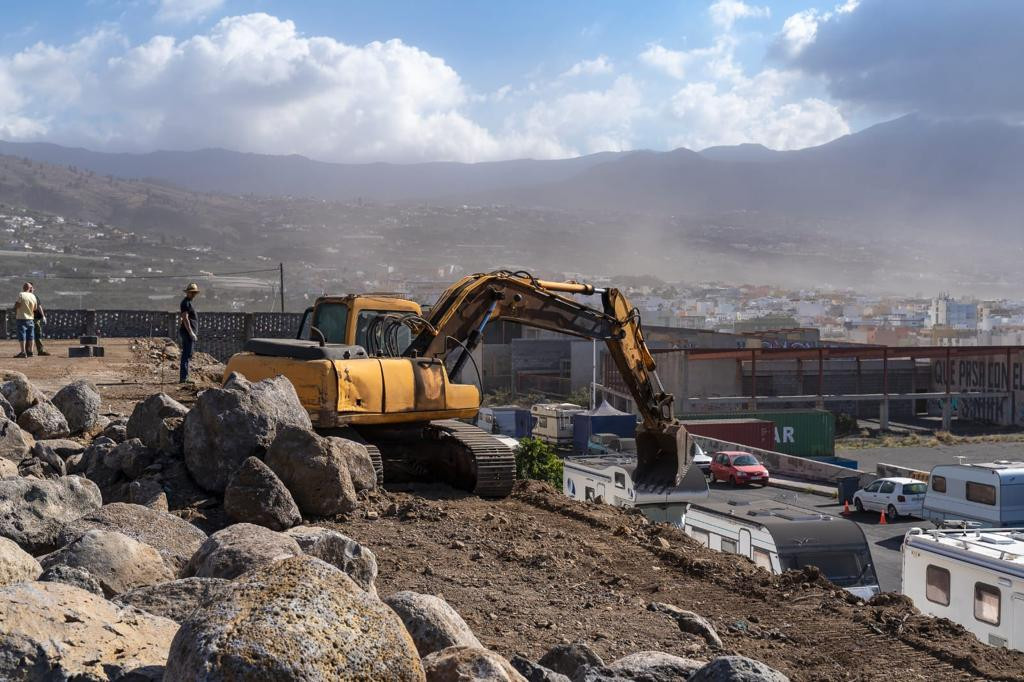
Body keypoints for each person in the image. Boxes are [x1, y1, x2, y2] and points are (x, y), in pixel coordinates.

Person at [179, 282, 200, 383]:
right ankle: (184, 378)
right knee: (186, 354)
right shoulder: (185, 303)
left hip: (188, 333)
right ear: (188, 293)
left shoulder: (188, 303)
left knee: (188, 354)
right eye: (192, 293)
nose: (193, 295)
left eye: (194, 293)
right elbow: (185, 318)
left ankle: (185, 377)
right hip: (187, 333)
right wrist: (191, 332)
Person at [12, 282, 37, 358]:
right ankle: (31, 351)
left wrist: (15, 308)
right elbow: (35, 308)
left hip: (21, 317)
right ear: (30, 288)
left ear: (23, 288)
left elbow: (17, 305)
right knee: (31, 336)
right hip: (30, 318)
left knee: (22, 335)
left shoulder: (21, 294)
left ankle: (23, 352)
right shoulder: (33, 296)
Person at [29, 283, 50, 357]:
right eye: (30, 288)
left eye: (32, 288)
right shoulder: (25, 297)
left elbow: (39, 307)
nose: (31, 289)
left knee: (38, 334)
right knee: (30, 335)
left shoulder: (35, 297)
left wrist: (43, 316)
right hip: (29, 318)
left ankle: (40, 351)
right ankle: (28, 351)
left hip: (36, 318)